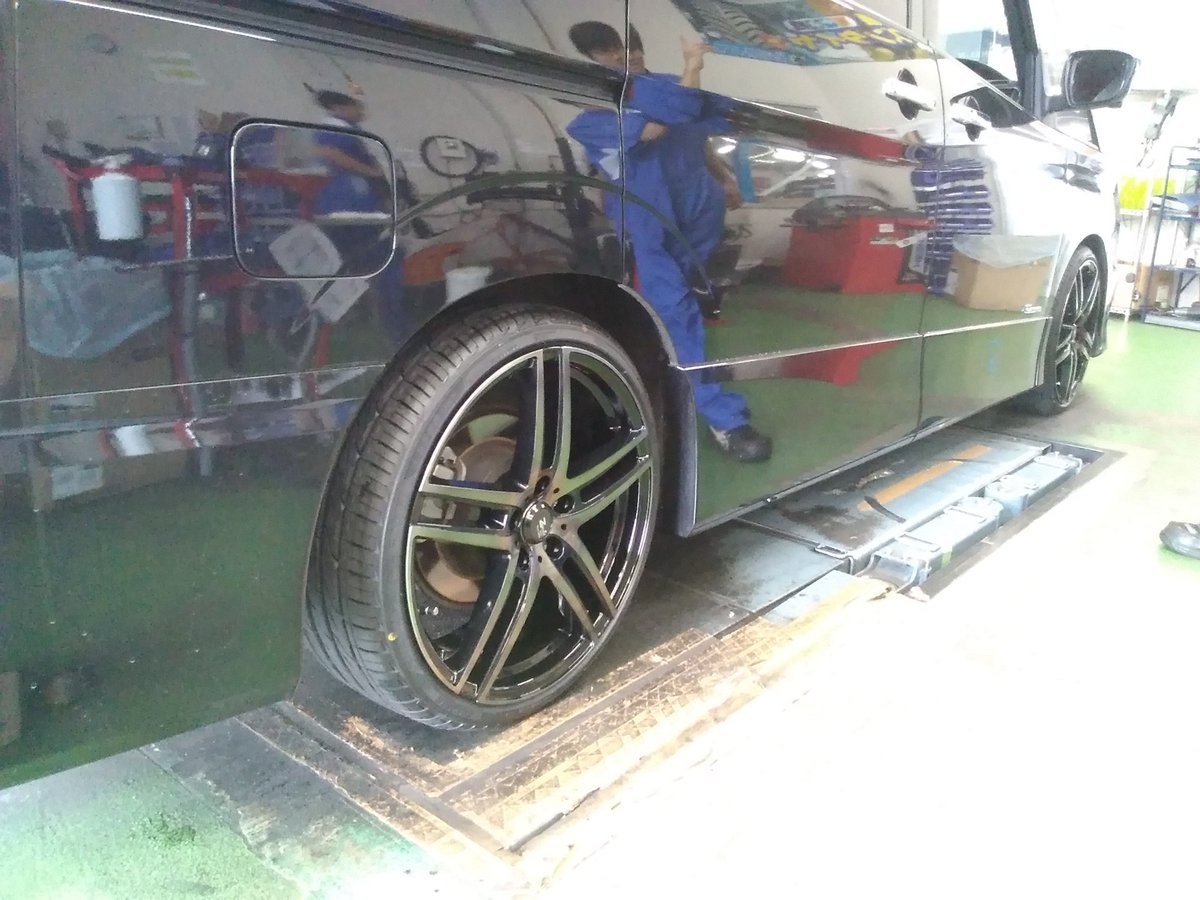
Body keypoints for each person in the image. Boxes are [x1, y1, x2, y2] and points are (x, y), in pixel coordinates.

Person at [566, 22, 771, 463]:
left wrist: (723, 177)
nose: (629, 57)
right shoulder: (592, 117)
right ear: (592, 62)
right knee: (676, 311)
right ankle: (723, 418)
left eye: (632, 48)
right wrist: (692, 68)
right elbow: (666, 121)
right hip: (650, 221)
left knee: (687, 309)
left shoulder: (663, 85)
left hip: (699, 212)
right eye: (612, 53)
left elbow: (701, 128)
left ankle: (672, 376)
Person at [310, 89, 407, 342]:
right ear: (339, 107)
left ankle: (380, 324)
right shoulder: (336, 129)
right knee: (387, 261)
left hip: (353, 211)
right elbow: (329, 152)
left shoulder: (346, 130)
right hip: (352, 213)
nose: (361, 111)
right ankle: (394, 329)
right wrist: (371, 172)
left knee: (358, 267)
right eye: (356, 106)